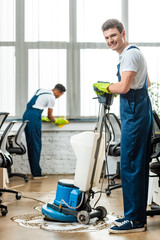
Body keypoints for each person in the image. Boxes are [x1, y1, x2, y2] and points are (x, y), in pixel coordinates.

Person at [94, 19, 153, 234]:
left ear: (123, 33)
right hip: (138, 108)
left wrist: (105, 86)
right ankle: (134, 215)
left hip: (135, 111)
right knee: (134, 162)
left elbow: (124, 86)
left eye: (113, 36)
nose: (110, 40)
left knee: (130, 164)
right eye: (107, 38)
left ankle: (135, 220)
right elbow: (146, 83)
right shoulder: (130, 54)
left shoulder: (129, 54)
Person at [23, 84, 66, 179]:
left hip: (26, 115)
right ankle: (37, 174)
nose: (58, 97)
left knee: (31, 144)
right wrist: (58, 121)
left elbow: (35, 104)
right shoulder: (52, 98)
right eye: (60, 95)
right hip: (34, 118)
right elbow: (50, 116)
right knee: (36, 145)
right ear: (58, 92)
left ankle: (35, 172)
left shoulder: (41, 90)